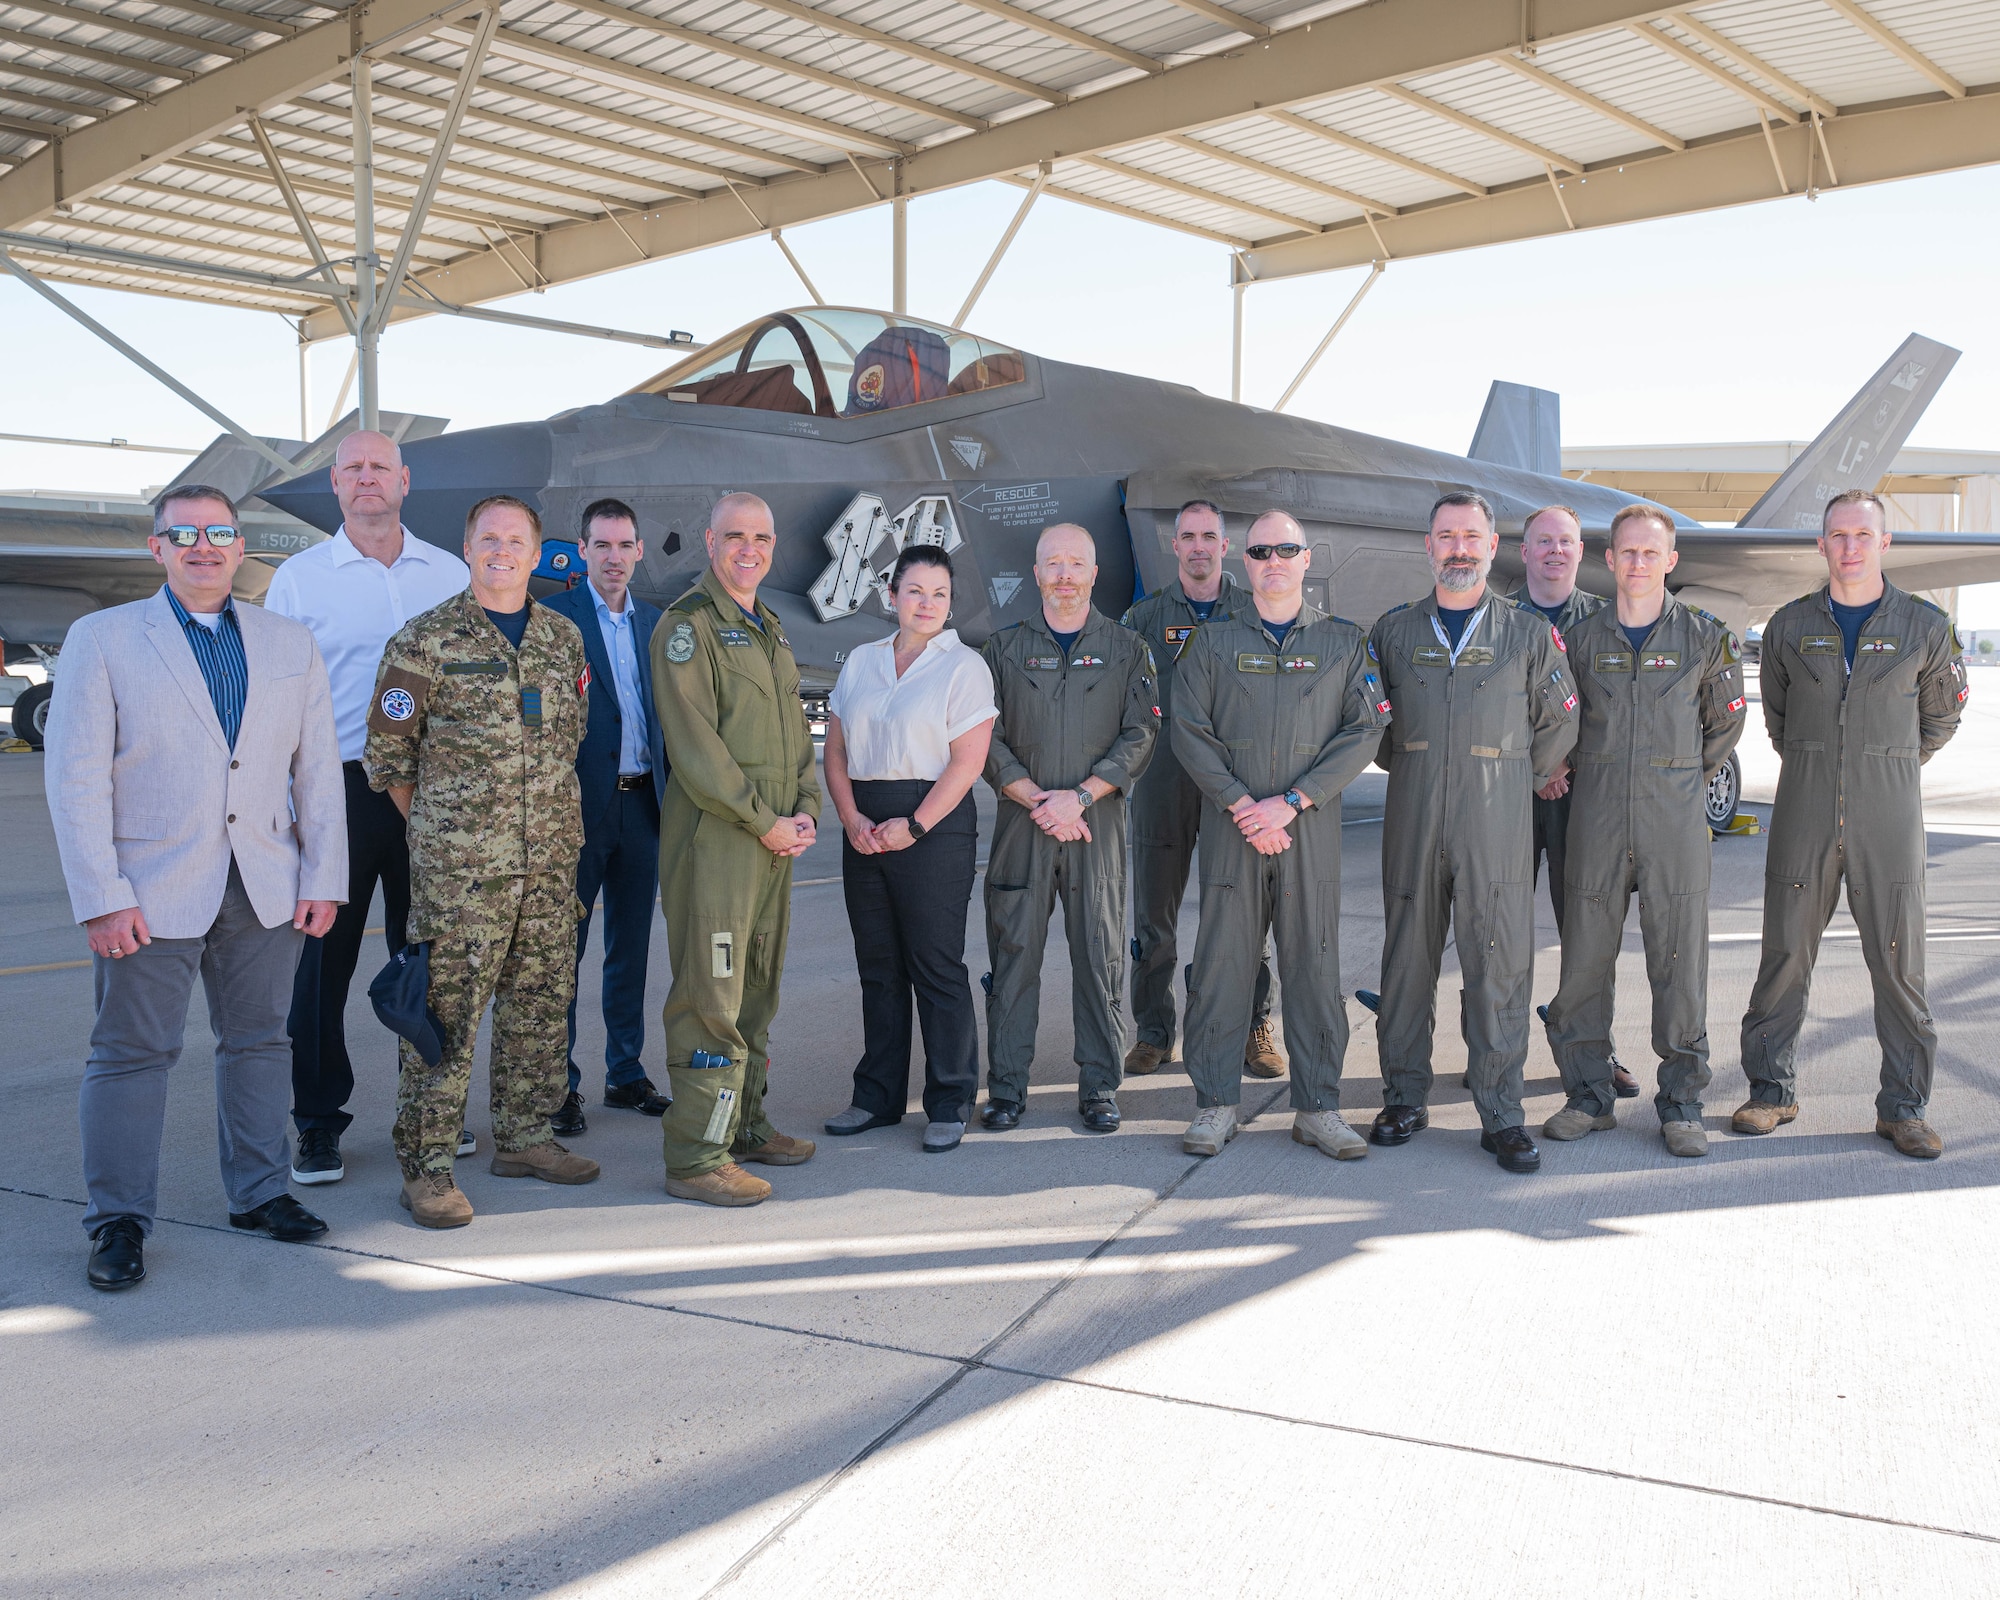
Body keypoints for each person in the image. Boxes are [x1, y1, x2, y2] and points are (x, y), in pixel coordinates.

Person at [45, 484, 345, 1289]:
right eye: (184, 535)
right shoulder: (102, 637)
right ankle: (117, 1221)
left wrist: (324, 874)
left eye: (219, 533)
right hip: (147, 886)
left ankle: (259, 1192)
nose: (203, 546)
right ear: (158, 548)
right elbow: (74, 779)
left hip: (266, 884)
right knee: (131, 1055)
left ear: (242, 546)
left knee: (260, 1044)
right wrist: (101, 894)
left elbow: (317, 771)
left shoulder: (289, 642)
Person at [365, 494, 599, 1228]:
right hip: (461, 876)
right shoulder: (424, 640)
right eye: (488, 538)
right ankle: (427, 1169)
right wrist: (448, 834)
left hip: (551, 863)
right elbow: (390, 758)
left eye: (516, 540)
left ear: (537, 553)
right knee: (445, 1018)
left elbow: (571, 739)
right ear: (467, 550)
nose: (502, 550)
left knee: (539, 1007)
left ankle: (527, 1138)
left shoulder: (563, 639)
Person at [264, 429, 470, 1185]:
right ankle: (318, 1123)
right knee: (323, 966)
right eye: (352, 468)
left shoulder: (449, 573)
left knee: (431, 961)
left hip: (436, 791)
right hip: (339, 790)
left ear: (405, 481)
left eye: (380, 466)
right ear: (336, 484)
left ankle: (432, 1109)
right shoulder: (300, 579)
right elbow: (277, 696)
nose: (367, 478)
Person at [1735, 489, 1967, 1158]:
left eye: (1864, 535)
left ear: (1884, 543)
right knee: (1783, 956)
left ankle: (1904, 1107)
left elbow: (1941, 716)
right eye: (1838, 535)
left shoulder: (1925, 626)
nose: (1851, 547)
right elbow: (1780, 718)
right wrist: (1823, 765)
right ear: (1822, 544)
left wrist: (1884, 764)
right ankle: (1770, 1093)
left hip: (1887, 820)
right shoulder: (1788, 626)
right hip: (1804, 814)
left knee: (1899, 964)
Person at [1364, 492, 1578, 1173]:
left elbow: (1562, 719)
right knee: (1406, 963)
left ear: (1492, 547)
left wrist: (1517, 777)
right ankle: (1404, 1096)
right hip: (1415, 816)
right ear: (1428, 546)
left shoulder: (1526, 634)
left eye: (1471, 536)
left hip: (1497, 823)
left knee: (1499, 964)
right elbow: (1376, 727)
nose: (1458, 547)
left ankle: (1502, 1113)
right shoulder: (1394, 632)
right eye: (1446, 535)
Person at [1172, 511, 1390, 1160]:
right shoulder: (1211, 644)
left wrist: (1292, 802)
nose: (1273, 560)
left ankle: (1318, 1108)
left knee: (1315, 970)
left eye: (1285, 549)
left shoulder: (1343, 643)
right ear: (1246, 559)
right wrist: (1243, 804)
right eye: (1261, 549)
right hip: (1231, 831)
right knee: (1220, 970)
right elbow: (1188, 728)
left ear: (1305, 559)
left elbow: (1364, 731)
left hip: (1308, 833)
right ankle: (1214, 1105)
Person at [1540, 505, 1746, 1158]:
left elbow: (1724, 726)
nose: (1637, 563)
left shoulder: (1706, 638)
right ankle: (1587, 1097)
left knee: (1680, 965)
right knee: (1584, 965)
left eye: (1650, 553)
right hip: (1595, 820)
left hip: (1674, 825)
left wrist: (1676, 777)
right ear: (1609, 559)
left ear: (1670, 561)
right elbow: (1559, 720)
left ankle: (1682, 1102)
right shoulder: (1581, 640)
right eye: (1626, 552)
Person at [652, 491, 822, 1207]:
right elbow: (698, 753)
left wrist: (807, 809)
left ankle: (745, 1126)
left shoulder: (770, 630)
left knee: (757, 988)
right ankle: (696, 1154)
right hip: (720, 843)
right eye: (734, 536)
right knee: (710, 996)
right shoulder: (686, 628)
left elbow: (797, 733)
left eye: (761, 536)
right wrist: (765, 820)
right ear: (709, 541)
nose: (748, 548)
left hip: (773, 842)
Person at [981, 523, 1158, 1135]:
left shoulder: (1127, 649)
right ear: (1035, 574)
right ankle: (1006, 1088)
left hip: (1095, 828)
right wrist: (1037, 798)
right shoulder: (1001, 650)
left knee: (1102, 957)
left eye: (1074, 563)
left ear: (1093, 573)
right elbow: (984, 738)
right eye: (1051, 563)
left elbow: (1141, 733)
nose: (1063, 574)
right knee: (1012, 958)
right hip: (1021, 829)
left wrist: (1080, 796)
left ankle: (1100, 1086)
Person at [822, 545, 997, 1154]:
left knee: (935, 964)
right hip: (864, 822)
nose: (927, 604)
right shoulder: (861, 663)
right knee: (879, 966)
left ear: (950, 604)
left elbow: (968, 762)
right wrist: (849, 819)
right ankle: (876, 1097)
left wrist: (915, 827)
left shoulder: (964, 666)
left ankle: (950, 1100)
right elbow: (837, 752)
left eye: (939, 594)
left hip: (934, 825)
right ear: (891, 595)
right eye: (915, 591)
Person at [1120, 499, 1281, 1081]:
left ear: (1224, 545)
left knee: (1244, 913)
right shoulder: (1142, 618)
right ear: (1174, 546)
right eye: (1187, 536)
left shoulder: (1253, 610)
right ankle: (1154, 1032)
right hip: (1162, 782)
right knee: (1152, 916)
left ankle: (1253, 1024)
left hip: (1231, 786)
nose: (1197, 547)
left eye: (1208, 536)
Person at [538, 498, 670, 1137]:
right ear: (582, 550)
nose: (614, 558)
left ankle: (626, 1071)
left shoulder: (658, 623)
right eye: (603, 546)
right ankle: (559, 1084)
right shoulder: (554, 620)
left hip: (643, 802)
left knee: (632, 947)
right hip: (578, 812)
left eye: (625, 546)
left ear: (639, 551)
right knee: (566, 949)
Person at [1503, 504, 1637, 1099]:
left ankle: (1592, 1049)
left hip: (1583, 800)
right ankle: (1496, 1048)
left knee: (1586, 929)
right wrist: (1537, 768)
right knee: (1496, 924)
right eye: (1543, 542)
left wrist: (1564, 764)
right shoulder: (1497, 619)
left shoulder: (1605, 622)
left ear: (1581, 552)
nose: (1555, 551)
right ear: (1524, 552)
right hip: (1508, 795)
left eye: (1566, 541)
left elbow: (1610, 715)